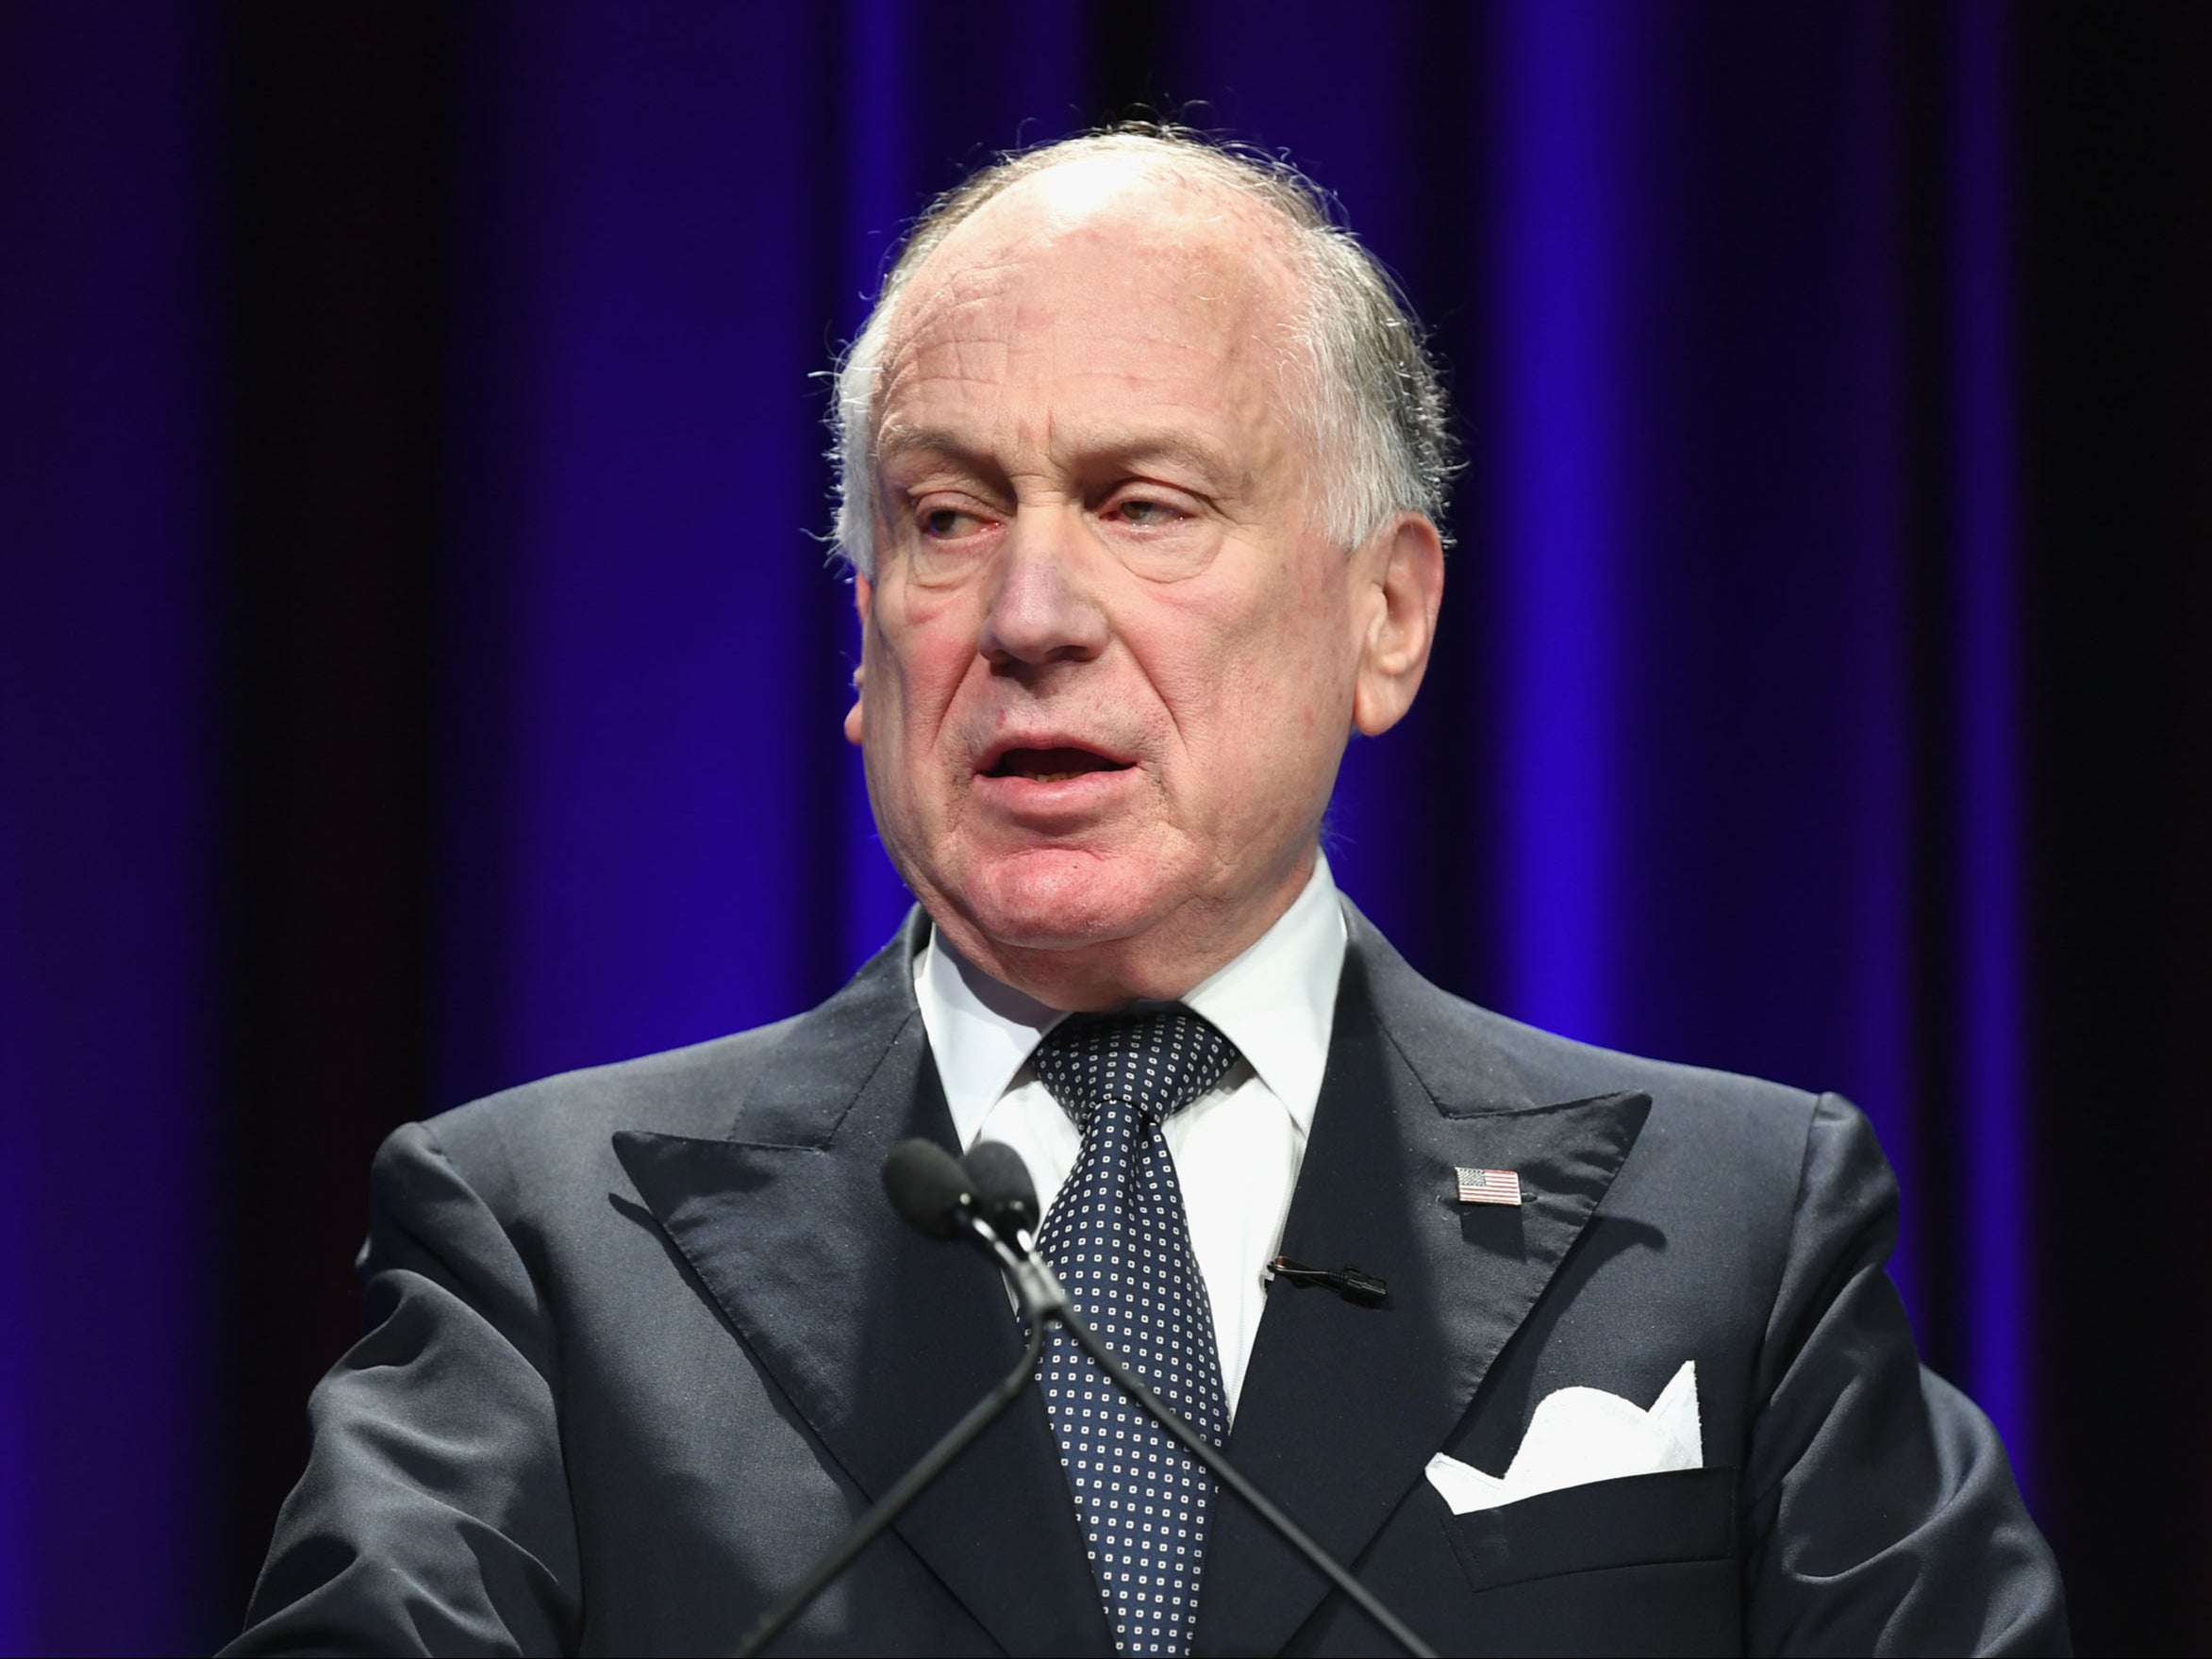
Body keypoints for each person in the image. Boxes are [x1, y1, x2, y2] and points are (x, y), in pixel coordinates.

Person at [229, 127, 2067, 1657]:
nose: (1030, 618)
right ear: (866, 645)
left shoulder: (1735, 1237)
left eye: (1143, 503)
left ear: (1388, 611)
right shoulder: (548, 1250)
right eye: (947, 518)